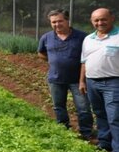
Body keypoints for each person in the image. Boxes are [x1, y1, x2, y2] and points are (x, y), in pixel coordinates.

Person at [38, 9, 93, 140]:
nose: (57, 24)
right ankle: (64, 129)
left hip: (77, 80)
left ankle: (86, 132)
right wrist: (54, 62)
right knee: (59, 106)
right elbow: (41, 53)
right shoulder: (46, 37)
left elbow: (88, 57)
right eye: (53, 22)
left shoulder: (82, 37)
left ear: (67, 20)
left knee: (83, 107)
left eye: (60, 21)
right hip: (55, 79)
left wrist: (82, 80)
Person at [80, 8, 119, 152]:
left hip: (113, 82)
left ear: (112, 18)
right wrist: (82, 81)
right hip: (92, 82)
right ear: (92, 21)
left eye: (103, 19)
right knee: (100, 113)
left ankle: (117, 151)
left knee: (115, 117)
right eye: (96, 20)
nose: (100, 23)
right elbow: (84, 62)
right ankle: (104, 143)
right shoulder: (88, 39)